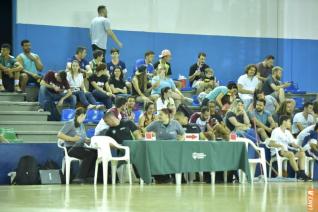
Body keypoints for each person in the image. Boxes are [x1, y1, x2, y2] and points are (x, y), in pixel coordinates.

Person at [57, 107, 97, 183]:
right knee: (89, 154)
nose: (84, 118)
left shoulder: (81, 125)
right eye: (84, 117)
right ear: (82, 115)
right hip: (70, 148)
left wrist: (88, 140)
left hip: (80, 147)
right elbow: (59, 135)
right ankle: (79, 177)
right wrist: (72, 139)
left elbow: (83, 137)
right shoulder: (70, 123)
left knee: (96, 152)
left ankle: (90, 176)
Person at [268, 115, 311, 181]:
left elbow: (292, 143)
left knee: (302, 153)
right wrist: (281, 146)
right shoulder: (276, 131)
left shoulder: (287, 132)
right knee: (291, 154)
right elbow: (270, 143)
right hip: (277, 151)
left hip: (286, 151)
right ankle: (298, 173)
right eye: (289, 122)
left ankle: (302, 173)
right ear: (284, 122)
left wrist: (299, 147)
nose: (290, 123)